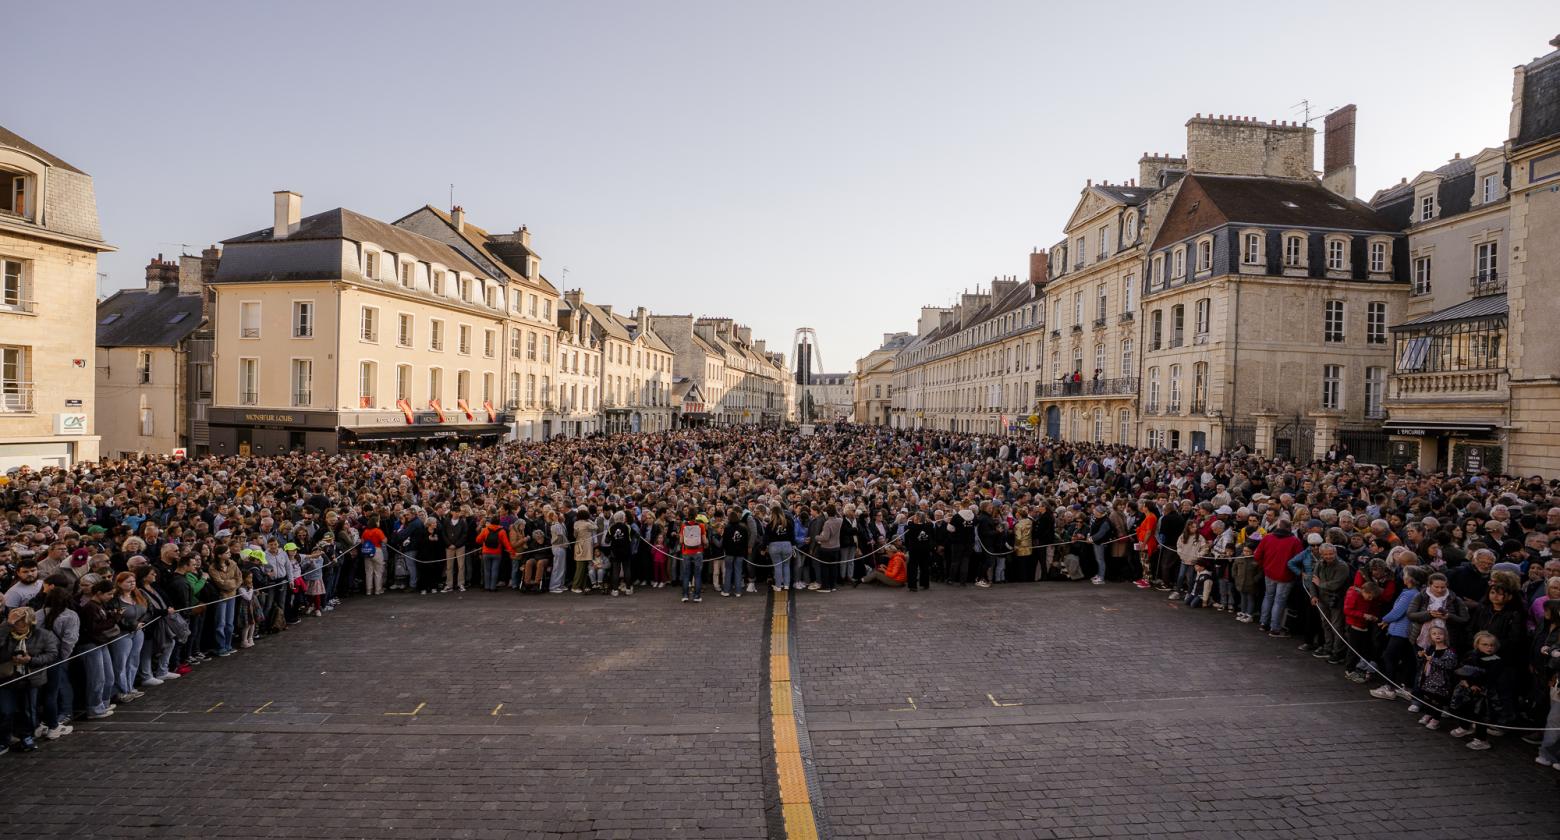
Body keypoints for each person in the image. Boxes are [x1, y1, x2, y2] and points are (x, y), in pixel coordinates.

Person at [0, 607, 60, 754]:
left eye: (23, 624)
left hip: (31, 679)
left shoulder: (44, 635)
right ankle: (3, 741)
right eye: (16, 624)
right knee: (5, 711)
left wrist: (30, 660)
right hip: (7, 678)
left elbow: (52, 655)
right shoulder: (5, 632)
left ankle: (26, 736)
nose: (19, 628)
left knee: (28, 711)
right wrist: (7, 625)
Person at [475, 516, 513, 593]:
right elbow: (506, 543)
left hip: (486, 552)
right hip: (497, 553)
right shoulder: (502, 531)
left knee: (487, 570)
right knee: (495, 570)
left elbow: (478, 540)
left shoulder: (486, 529)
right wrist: (512, 551)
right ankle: (493, 587)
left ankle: (487, 587)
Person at [679, 510, 707, 603]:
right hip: (698, 552)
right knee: (697, 575)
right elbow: (704, 540)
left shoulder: (683, 525)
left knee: (686, 574)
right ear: (696, 516)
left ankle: (685, 595)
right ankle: (697, 596)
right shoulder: (701, 526)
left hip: (686, 551)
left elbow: (681, 541)